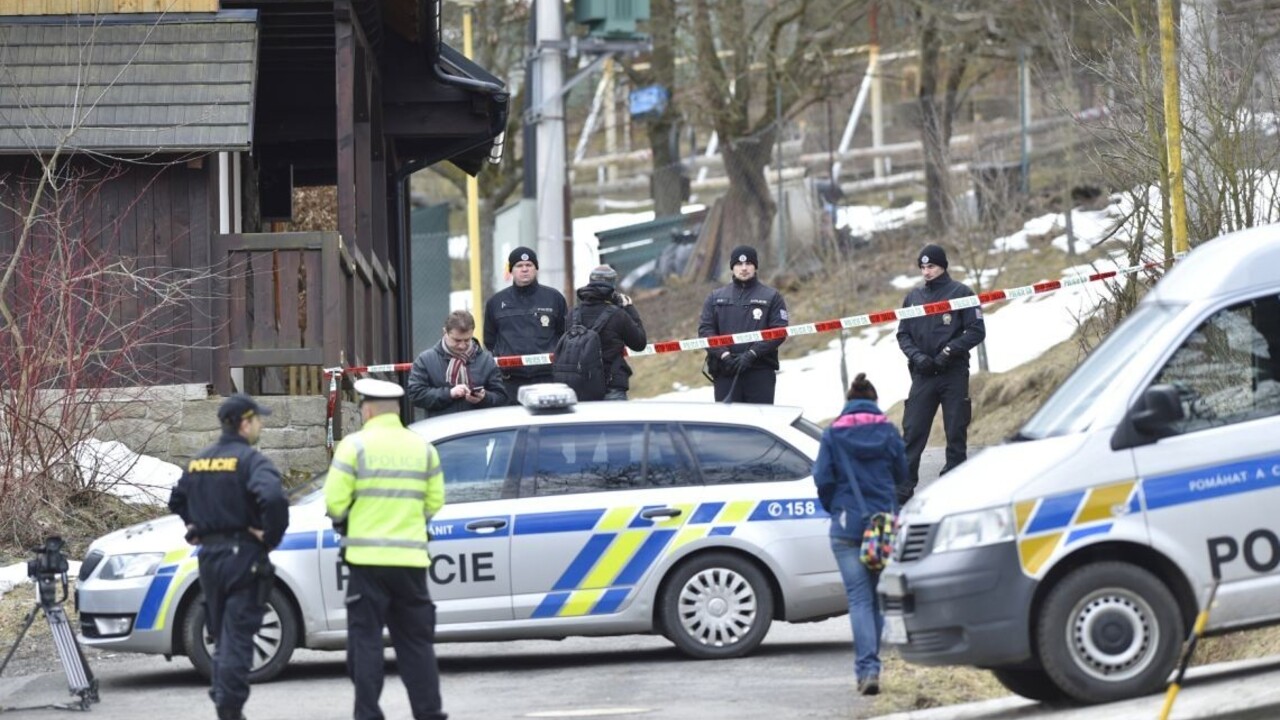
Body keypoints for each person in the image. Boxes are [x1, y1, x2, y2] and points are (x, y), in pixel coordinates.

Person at [325, 378, 447, 720]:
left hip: (365, 563)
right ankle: (429, 713)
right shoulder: (422, 448)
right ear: (396, 411)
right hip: (410, 562)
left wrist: (355, 519)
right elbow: (435, 500)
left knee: (365, 642)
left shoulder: (355, 446)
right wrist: (407, 520)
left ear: (367, 409)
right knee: (416, 644)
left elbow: (334, 502)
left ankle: (368, 713)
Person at [168, 394, 289, 720]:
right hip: (243, 557)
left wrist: (195, 526)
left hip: (209, 559)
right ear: (245, 423)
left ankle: (224, 694)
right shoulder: (252, 461)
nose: (261, 425)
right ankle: (229, 708)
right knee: (236, 638)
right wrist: (270, 537)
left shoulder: (199, 460)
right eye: (258, 420)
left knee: (222, 635)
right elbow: (275, 499)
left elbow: (176, 499)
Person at [812, 373, 907, 697]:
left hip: (846, 525)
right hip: (881, 525)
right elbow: (902, 474)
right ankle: (872, 665)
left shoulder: (832, 434)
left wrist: (835, 507)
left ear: (848, 402)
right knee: (877, 598)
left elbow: (822, 478)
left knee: (859, 600)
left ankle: (867, 669)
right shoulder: (888, 430)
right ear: (874, 401)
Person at [896, 243, 986, 504]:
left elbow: (976, 330)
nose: (926, 272)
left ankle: (954, 482)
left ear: (943, 266)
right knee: (912, 431)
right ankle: (902, 487)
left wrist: (949, 351)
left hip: (952, 372)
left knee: (956, 428)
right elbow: (903, 334)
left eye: (931, 266)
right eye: (923, 267)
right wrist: (917, 357)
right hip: (923, 373)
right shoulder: (913, 298)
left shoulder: (962, 293)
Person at [697, 244, 789, 403]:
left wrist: (752, 354)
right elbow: (706, 330)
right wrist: (724, 355)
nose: (744, 268)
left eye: (749, 264)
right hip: (726, 371)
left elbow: (779, 331)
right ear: (732, 267)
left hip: (760, 371)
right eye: (739, 264)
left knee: (761, 421)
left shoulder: (772, 296)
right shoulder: (714, 298)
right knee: (730, 424)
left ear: (755, 267)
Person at [483, 246, 568, 403]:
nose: (524, 270)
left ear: (536, 269)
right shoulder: (496, 302)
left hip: (547, 379)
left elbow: (564, 335)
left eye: (529, 265)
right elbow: (490, 340)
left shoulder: (554, 298)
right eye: (519, 266)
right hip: (510, 382)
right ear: (511, 270)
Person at [407, 309, 507, 416]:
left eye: (467, 340)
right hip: (441, 429)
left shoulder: (486, 360)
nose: (462, 345)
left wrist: (484, 398)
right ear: (445, 332)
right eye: (457, 340)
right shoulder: (425, 360)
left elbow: (501, 398)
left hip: (476, 428)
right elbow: (415, 395)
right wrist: (449, 394)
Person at [573, 265, 648, 400]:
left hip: (581, 384)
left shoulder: (573, 315)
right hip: (612, 384)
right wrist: (630, 308)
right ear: (612, 286)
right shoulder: (618, 315)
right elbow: (639, 343)